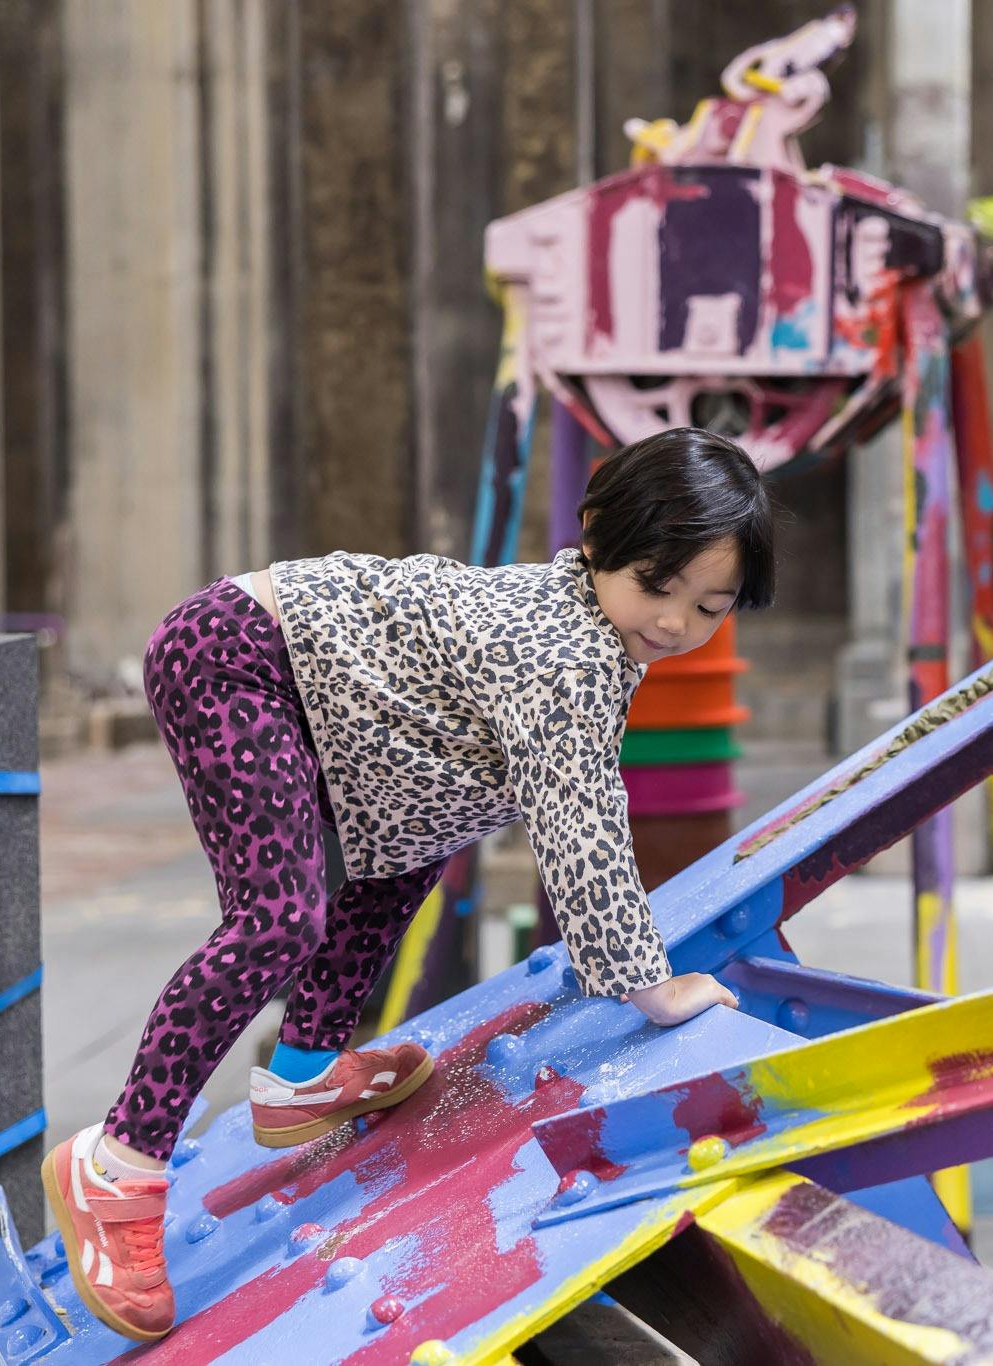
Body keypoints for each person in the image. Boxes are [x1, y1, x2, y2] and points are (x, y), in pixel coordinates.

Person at [41, 426, 771, 1341]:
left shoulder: (594, 625)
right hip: (234, 660)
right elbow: (579, 813)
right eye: (656, 586)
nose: (674, 623)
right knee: (278, 920)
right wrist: (646, 981)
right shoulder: (565, 652)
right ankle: (117, 1164)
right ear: (594, 539)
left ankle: (303, 1076)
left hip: (341, 702)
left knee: (412, 844)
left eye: (710, 606)